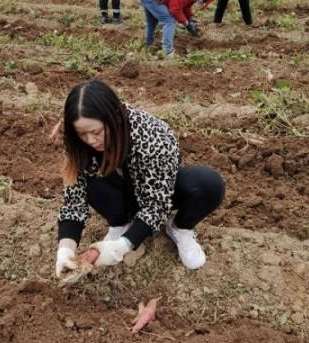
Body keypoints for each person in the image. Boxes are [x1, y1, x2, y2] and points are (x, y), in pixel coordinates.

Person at [55, 80, 225, 277]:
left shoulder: (152, 136)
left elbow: (156, 205)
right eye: (82, 134)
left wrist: (123, 246)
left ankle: (179, 228)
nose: (91, 140)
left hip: (153, 191)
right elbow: (74, 201)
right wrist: (65, 249)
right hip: (120, 192)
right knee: (91, 182)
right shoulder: (78, 144)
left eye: (96, 132)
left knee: (209, 184)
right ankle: (121, 224)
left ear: (115, 118)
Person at [137, 0, 219, 58]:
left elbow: (185, 6)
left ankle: (147, 46)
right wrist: (186, 23)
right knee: (169, 20)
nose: (202, 1)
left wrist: (189, 19)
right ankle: (168, 52)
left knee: (152, 22)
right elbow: (175, 10)